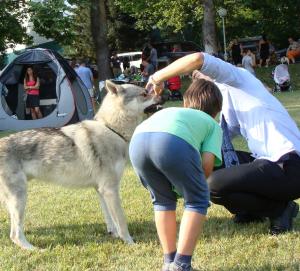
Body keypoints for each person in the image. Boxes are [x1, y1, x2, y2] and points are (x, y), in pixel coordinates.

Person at [146, 52, 300, 235]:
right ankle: (250, 210)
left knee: (212, 184)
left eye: (198, 73)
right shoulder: (228, 102)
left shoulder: (238, 78)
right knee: (208, 164)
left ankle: (280, 210)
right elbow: (213, 145)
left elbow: (196, 59)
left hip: (289, 165)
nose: (196, 75)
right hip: (266, 163)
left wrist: (156, 78)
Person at [129, 79, 223, 271]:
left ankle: (169, 262)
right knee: (197, 200)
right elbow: (206, 164)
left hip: (138, 140)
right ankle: (181, 265)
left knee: (162, 201)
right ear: (217, 111)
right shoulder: (212, 124)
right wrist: (196, 187)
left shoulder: (174, 111)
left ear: (186, 102)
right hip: (171, 141)